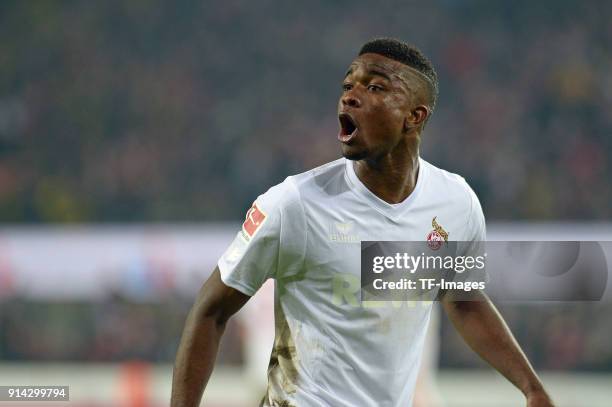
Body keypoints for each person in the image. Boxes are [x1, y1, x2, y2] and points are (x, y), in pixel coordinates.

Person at [171, 38, 555, 407]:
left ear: (414, 116)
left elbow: (465, 301)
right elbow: (211, 309)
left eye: (375, 87)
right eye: (348, 85)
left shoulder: (456, 203)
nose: (350, 95)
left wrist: (531, 389)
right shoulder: (296, 204)